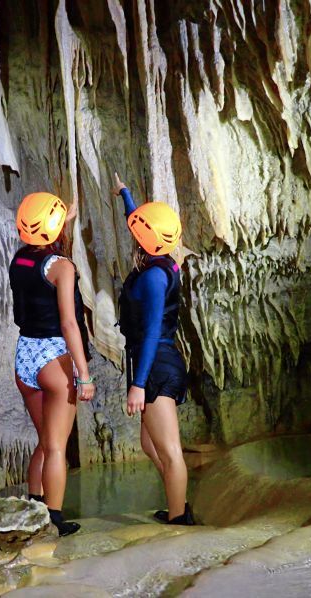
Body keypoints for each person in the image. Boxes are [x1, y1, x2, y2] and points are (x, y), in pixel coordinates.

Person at [9, 192, 95, 537]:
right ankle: (54, 520)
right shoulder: (63, 267)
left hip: (25, 354)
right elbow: (69, 323)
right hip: (53, 357)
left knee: (45, 440)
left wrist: (63, 220)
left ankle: (33, 507)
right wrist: (84, 374)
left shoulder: (19, 259)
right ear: (54, 229)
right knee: (58, 445)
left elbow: (40, 249)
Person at [112, 173, 195, 526]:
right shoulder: (164, 258)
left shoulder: (153, 278)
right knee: (151, 445)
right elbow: (143, 226)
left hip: (157, 365)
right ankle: (177, 503)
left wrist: (139, 384)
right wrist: (125, 194)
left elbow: (147, 334)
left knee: (169, 450)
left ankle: (179, 519)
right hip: (155, 361)